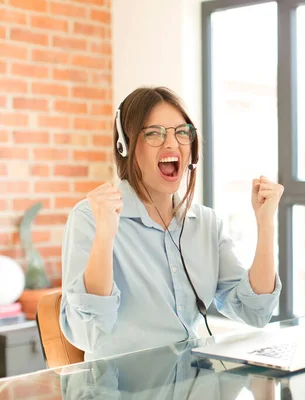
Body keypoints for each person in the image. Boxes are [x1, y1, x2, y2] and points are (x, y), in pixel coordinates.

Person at [59, 86, 283, 361]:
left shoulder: (206, 224)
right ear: (126, 145)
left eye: (181, 132)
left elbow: (255, 311)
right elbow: (90, 333)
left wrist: (266, 224)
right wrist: (105, 236)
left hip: (192, 385)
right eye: (154, 133)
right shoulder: (90, 218)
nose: (171, 143)